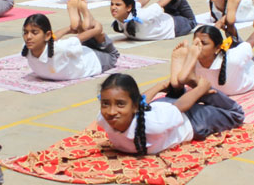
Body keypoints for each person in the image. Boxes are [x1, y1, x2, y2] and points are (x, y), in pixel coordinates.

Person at [95, 52, 244, 157]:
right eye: (105, 104)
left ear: (134, 106)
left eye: (119, 104)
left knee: (236, 113)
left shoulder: (152, 123)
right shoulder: (105, 117)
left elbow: (180, 107)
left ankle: (187, 82)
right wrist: (163, 86)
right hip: (170, 110)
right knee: (193, 96)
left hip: (186, 117)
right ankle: (182, 82)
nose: (111, 111)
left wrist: (200, 89)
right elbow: (141, 101)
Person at [191, 0, 254, 95]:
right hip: (245, 67)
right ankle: (230, 24)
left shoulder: (232, 59)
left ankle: (231, 24)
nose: (198, 46)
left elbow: (252, 40)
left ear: (217, 48)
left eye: (203, 43)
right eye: (196, 42)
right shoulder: (192, 59)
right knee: (239, 48)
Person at [21, 0, 120, 81]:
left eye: (34, 32)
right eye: (25, 32)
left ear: (47, 35)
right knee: (86, 31)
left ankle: (89, 21)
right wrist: (70, 29)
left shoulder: (59, 48)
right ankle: (86, 21)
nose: (28, 37)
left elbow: (79, 38)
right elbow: (52, 37)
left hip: (96, 59)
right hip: (86, 54)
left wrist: (97, 30)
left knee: (111, 52)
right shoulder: (27, 47)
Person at [109, 0, 197, 41]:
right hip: (175, 26)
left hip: (172, 21)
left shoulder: (140, 16)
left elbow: (150, 2)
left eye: (117, 5)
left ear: (129, 7)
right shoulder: (136, 15)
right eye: (112, 4)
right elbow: (152, 2)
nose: (113, 7)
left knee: (171, 1)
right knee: (190, 19)